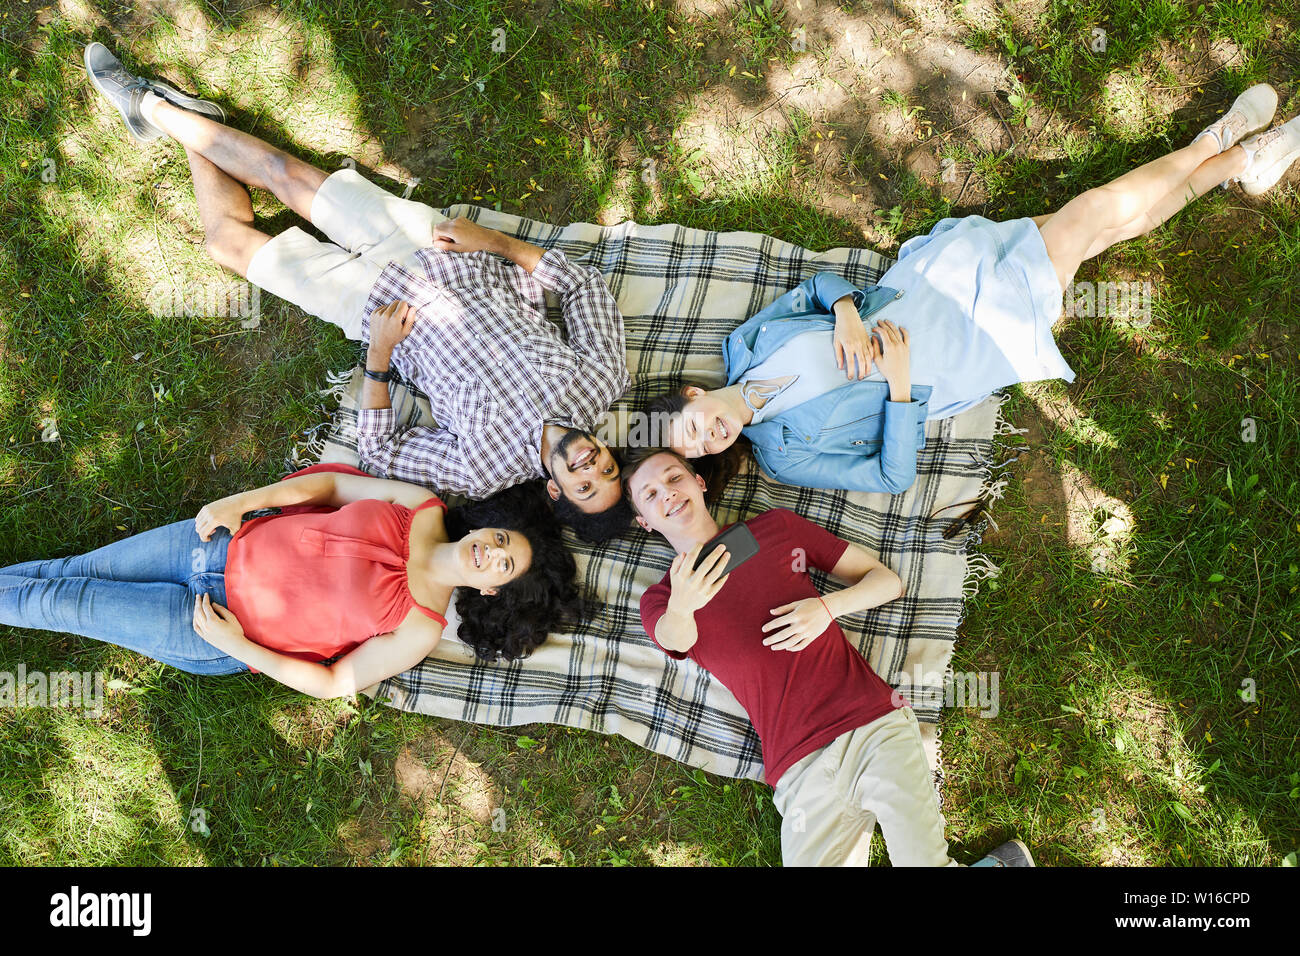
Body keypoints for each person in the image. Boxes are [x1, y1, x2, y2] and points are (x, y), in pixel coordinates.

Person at [83, 42, 634, 542]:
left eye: (585, 484)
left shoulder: (483, 470)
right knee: (280, 171)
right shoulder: (603, 380)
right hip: (441, 252)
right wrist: (491, 239)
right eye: (606, 467)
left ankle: (188, 124)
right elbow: (583, 284)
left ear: (557, 491)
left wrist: (377, 356)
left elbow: (382, 451)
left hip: (374, 308)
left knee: (225, 243)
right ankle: (151, 107)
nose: (591, 464)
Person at [650, 84, 1299, 496]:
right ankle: (1214, 143)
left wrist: (845, 310)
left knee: (1099, 229)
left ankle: (1242, 164)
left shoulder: (746, 344)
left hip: (927, 286)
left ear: (688, 396)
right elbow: (889, 475)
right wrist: (900, 388)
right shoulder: (783, 456)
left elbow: (814, 288)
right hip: (959, 346)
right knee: (1089, 214)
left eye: (691, 427)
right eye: (702, 450)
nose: (708, 436)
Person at [623, 448, 1034, 866]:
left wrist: (826, 608)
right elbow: (674, 637)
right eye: (651, 494)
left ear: (699, 482)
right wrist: (684, 603)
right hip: (799, 769)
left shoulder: (775, 529)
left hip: (872, 726)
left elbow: (886, 582)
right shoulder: (662, 600)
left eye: (674, 478)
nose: (668, 494)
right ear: (644, 521)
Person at [0, 465, 580, 697]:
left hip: (215, 626)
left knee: (63, 600)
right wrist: (242, 502)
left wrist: (240, 649)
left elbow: (332, 682)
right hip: (213, 545)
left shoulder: (419, 628)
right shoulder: (423, 508)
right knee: (69, 574)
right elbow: (327, 489)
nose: (489, 551)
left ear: (492, 592)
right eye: (502, 540)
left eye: (503, 565)